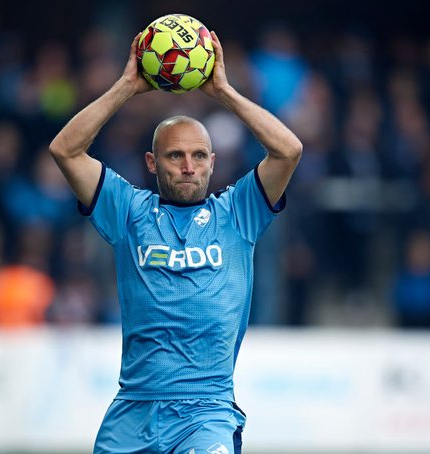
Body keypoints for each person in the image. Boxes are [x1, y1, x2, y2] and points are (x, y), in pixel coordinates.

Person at [49, 30, 302, 454]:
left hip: (207, 414)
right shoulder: (127, 210)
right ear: (152, 162)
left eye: (199, 156)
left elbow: (289, 150)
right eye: (175, 155)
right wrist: (127, 87)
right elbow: (65, 150)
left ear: (212, 162)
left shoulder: (239, 211)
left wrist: (223, 92)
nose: (189, 166)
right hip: (133, 412)